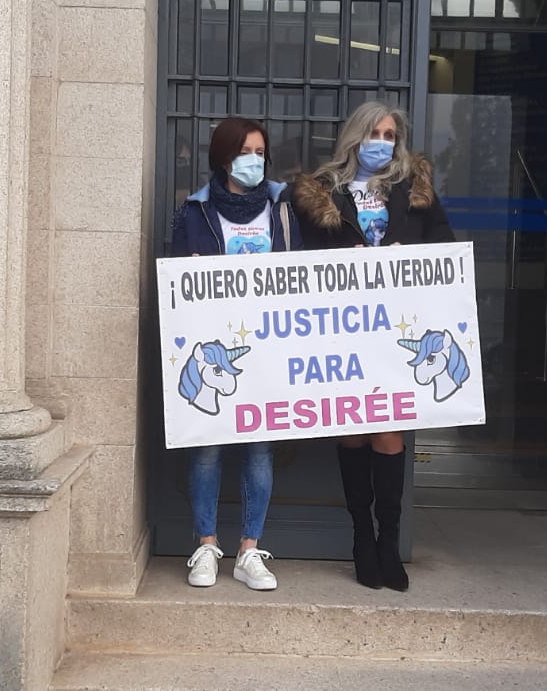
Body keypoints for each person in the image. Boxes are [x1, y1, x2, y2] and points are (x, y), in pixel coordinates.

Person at [290, 101, 454, 592]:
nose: (383, 141)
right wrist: (346, 256)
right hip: (345, 330)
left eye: (390, 134)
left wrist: (414, 255)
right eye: (375, 132)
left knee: (389, 434)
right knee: (354, 433)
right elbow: (300, 255)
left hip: (399, 332)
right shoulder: (321, 192)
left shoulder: (416, 188)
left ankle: (389, 542)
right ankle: (362, 539)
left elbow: (445, 241)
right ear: (355, 137)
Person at [169, 117, 303, 590]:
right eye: (246, 150)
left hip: (267, 347)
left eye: (261, 150)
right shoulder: (194, 211)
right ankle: (206, 545)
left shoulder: (283, 208)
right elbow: (178, 280)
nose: (255, 159)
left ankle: (249, 550)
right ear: (225, 157)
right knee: (207, 449)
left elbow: (300, 273)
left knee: (259, 451)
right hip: (214, 351)